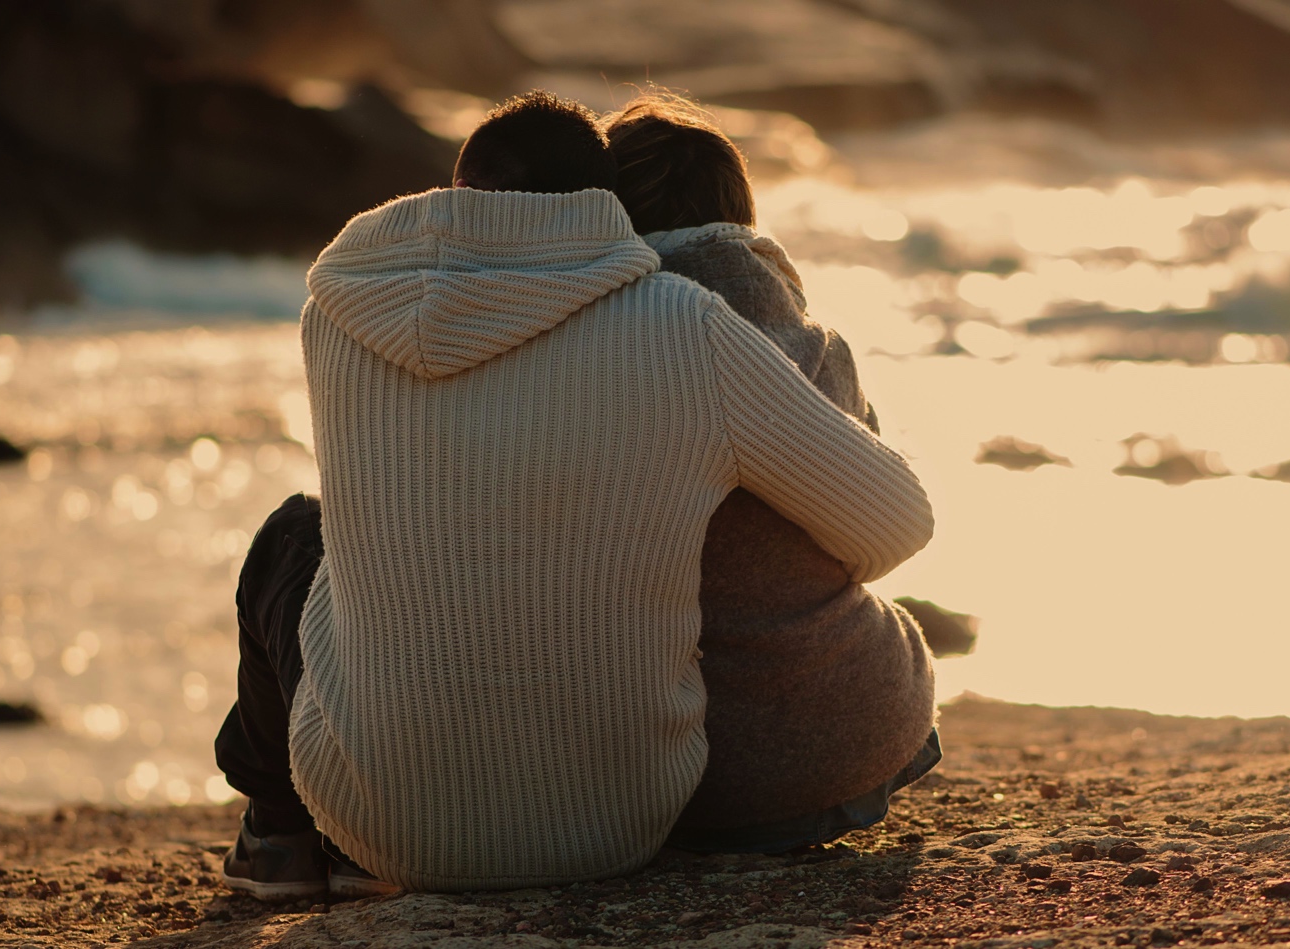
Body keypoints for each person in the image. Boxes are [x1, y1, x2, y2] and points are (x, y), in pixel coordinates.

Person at [215, 89, 933, 897]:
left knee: (297, 534)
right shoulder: (677, 324)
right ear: (601, 207)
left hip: (371, 825)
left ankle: (278, 833)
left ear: (453, 196)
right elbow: (894, 522)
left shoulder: (335, 315)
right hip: (620, 823)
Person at [604, 93, 940, 852]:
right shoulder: (810, 346)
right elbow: (880, 538)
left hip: (638, 767)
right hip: (834, 750)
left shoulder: (586, 351)